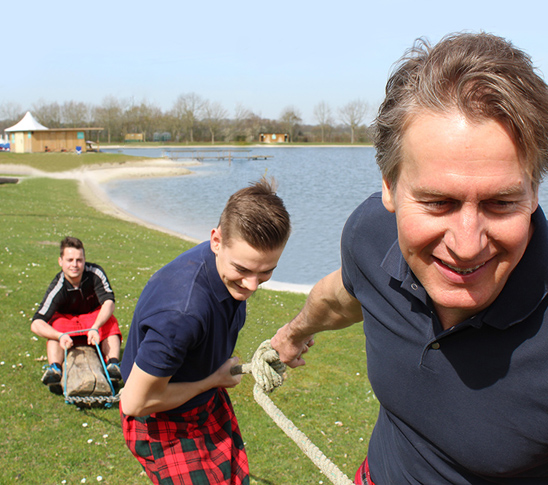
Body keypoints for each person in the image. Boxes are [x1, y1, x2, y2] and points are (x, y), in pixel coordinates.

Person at [271, 32, 548, 484]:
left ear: (534, 191)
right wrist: (294, 333)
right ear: (389, 187)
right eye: (438, 202)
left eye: (501, 203)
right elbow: (345, 293)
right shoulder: (369, 234)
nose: (467, 244)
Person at [120, 177, 291, 485]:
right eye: (243, 270)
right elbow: (135, 403)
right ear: (216, 240)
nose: (252, 285)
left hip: (204, 400)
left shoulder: (227, 265)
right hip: (160, 420)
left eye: (266, 271)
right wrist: (213, 379)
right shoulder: (181, 313)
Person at [31, 236, 122, 388]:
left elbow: (109, 302)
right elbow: (36, 322)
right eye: (70, 260)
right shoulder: (57, 287)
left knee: (110, 321)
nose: (75, 265)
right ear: (61, 261)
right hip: (67, 323)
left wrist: (95, 326)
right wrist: (58, 336)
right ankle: (55, 369)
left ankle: (113, 365)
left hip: (92, 320)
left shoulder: (95, 273)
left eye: (79, 260)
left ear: (84, 260)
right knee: (54, 324)